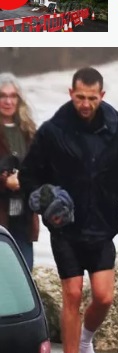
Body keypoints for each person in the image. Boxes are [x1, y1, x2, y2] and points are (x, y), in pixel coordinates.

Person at [19, 66, 118, 353]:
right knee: (73, 293)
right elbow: (30, 175)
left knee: (104, 297)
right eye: (80, 97)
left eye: (92, 98)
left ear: (102, 96)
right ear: (70, 93)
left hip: (103, 227)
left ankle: (87, 339)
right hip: (65, 228)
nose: (85, 104)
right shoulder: (53, 131)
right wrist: (45, 200)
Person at [0, 73, 39, 271]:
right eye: (2, 96)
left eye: (13, 96)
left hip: (24, 215)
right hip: (1, 214)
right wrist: (5, 181)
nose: (8, 101)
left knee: (25, 273)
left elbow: (43, 167)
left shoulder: (29, 131)